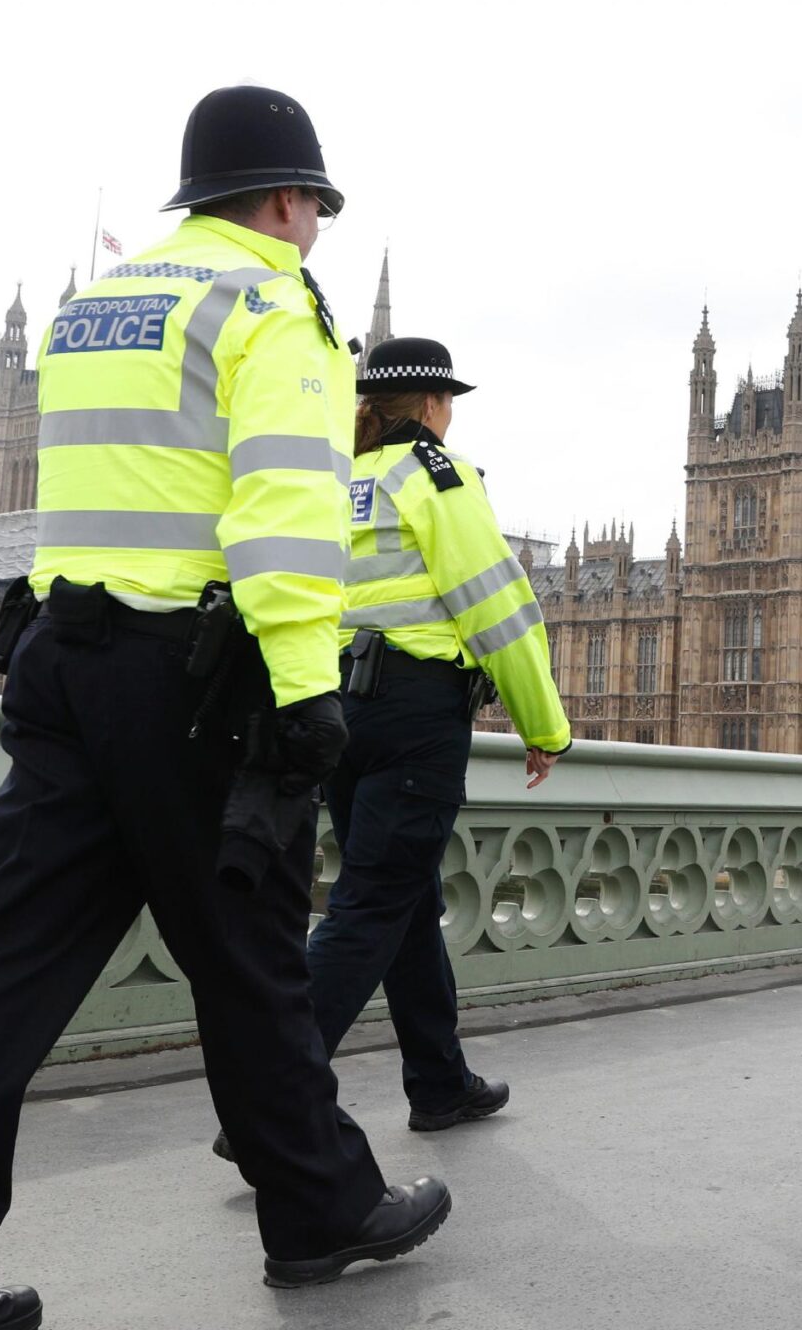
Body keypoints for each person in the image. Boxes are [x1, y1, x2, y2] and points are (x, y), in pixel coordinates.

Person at [0, 87, 449, 1330]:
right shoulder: (273, 304)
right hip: (196, 678)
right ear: (285, 201)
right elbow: (280, 509)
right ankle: (317, 1210)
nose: (313, 226)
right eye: (313, 205)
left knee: (1, 969)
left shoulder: (97, 307)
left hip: (60, 655)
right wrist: (309, 693)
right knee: (255, 957)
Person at [213, 337, 572, 1163]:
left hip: (335, 707)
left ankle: (440, 1082)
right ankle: (265, 1103)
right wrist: (541, 724)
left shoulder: (336, 479)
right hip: (415, 713)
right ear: (436, 406)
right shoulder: (439, 478)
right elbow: (497, 608)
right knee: (371, 905)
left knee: (401, 900)